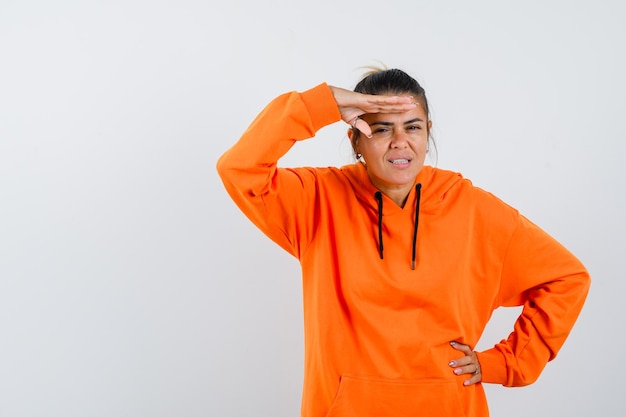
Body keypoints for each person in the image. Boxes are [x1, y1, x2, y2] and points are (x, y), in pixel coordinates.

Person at [216, 68, 590, 417]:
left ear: (428, 132)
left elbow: (566, 279)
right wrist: (322, 104)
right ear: (355, 138)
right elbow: (240, 168)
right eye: (381, 129)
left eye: (412, 127)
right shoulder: (317, 200)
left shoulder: (476, 211)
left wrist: (505, 362)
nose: (400, 142)